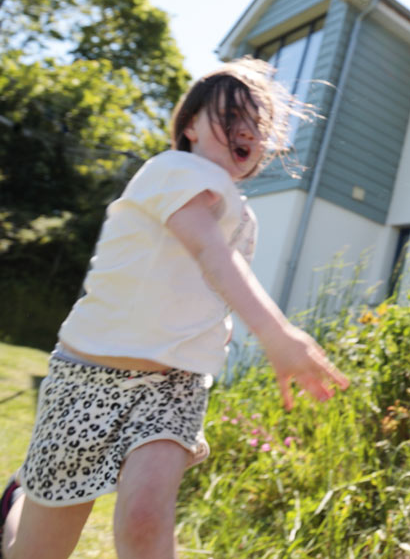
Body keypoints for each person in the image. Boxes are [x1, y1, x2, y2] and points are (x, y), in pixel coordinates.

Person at [0, 58, 350, 559]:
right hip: (86, 377)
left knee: (145, 521)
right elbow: (210, 251)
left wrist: (220, 330)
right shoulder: (171, 170)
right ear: (189, 126)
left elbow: (216, 285)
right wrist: (277, 334)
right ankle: (16, 504)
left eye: (256, 120)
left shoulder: (244, 216)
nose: (244, 125)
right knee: (34, 551)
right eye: (228, 113)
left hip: (171, 387)